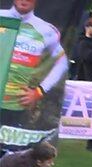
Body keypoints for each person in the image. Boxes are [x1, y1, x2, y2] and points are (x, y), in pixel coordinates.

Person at [0, 0, 69, 128]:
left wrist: (39, 91)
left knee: (6, 147)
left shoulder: (45, 30)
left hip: (14, 107)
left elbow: (62, 63)